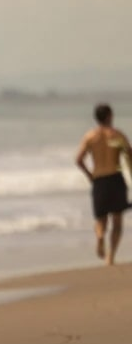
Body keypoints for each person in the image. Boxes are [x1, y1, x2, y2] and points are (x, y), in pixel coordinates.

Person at [75, 103, 130, 265]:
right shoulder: (117, 135)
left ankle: (100, 236)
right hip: (115, 179)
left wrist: (89, 175)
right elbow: (129, 154)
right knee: (117, 221)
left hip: (99, 179)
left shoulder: (90, 136)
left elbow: (79, 160)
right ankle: (110, 257)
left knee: (101, 219)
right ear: (110, 116)